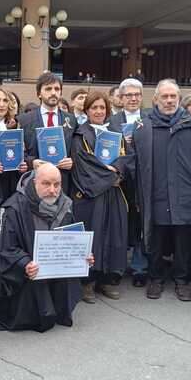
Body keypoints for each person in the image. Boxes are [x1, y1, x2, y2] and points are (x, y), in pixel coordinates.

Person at [126, 79, 191, 302]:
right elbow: (133, 161)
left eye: (173, 96)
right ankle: (155, 278)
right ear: (156, 99)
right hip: (156, 193)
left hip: (186, 194)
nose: (169, 100)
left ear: (179, 98)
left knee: (184, 241)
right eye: (165, 96)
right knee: (156, 240)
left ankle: (181, 281)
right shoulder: (143, 127)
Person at [0, 164, 93, 331]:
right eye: (46, 184)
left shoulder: (65, 204)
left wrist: (83, 256)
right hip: (28, 272)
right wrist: (25, 263)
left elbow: (71, 241)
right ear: (34, 182)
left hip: (56, 269)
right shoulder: (14, 207)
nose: (52, 190)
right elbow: (7, 249)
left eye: (57, 184)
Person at [71, 91, 130, 302]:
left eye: (102, 108)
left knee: (114, 235)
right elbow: (83, 163)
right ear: (86, 110)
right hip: (91, 195)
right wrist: (110, 177)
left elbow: (127, 158)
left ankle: (108, 280)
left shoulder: (116, 132)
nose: (98, 111)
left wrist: (118, 171)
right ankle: (88, 282)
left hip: (114, 194)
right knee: (92, 236)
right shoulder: (80, 134)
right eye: (94, 107)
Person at [108, 78, 148, 287]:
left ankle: (140, 267)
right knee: (120, 223)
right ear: (120, 98)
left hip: (144, 180)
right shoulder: (111, 121)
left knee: (142, 224)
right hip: (120, 181)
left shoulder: (150, 119)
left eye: (136, 95)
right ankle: (118, 266)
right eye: (128, 95)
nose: (133, 98)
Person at [18, 73, 77, 193]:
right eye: (48, 89)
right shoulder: (24, 120)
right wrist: (31, 162)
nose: (53, 92)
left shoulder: (71, 120)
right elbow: (18, 152)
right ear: (39, 93)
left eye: (57, 89)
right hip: (35, 183)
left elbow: (78, 149)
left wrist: (73, 161)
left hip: (63, 184)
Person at [0, 86, 27, 202]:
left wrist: (24, 164)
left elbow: (23, 153)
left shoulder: (15, 127)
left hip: (12, 183)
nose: (1, 104)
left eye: (5, 100)